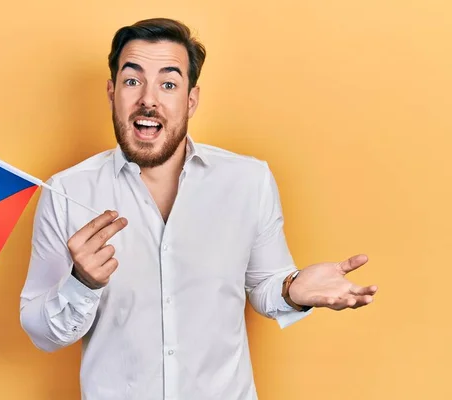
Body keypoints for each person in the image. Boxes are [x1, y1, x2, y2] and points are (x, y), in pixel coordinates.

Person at [19, 17, 378, 400]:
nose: (148, 99)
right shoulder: (66, 191)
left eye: (168, 84)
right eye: (132, 80)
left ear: (191, 99)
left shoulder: (248, 181)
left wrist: (292, 290)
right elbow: (41, 334)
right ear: (111, 92)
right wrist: (82, 283)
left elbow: (265, 286)